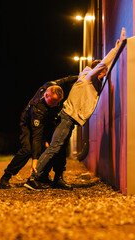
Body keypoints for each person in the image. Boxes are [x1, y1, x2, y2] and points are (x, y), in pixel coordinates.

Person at [24, 31, 125, 190]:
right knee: (55, 147)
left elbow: (105, 65)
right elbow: (103, 64)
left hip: (70, 119)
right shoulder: (87, 79)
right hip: (67, 117)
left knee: (59, 149)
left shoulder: (90, 83)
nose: (104, 73)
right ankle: (33, 179)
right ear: (98, 71)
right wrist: (115, 49)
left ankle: (57, 179)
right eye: (103, 71)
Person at [0, 76, 78, 189]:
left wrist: (80, 77)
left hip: (48, 121)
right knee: (27, 150)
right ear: (46, 95)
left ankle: (55, 178)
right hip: (28, 124)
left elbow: (66, 80)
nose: (55, 105)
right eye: (53, 102)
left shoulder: (52, 85)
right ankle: (5, 178)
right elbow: (37, 136)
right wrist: (35, 160)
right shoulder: (38, 108)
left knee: (58, 144)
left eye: (57, 102)